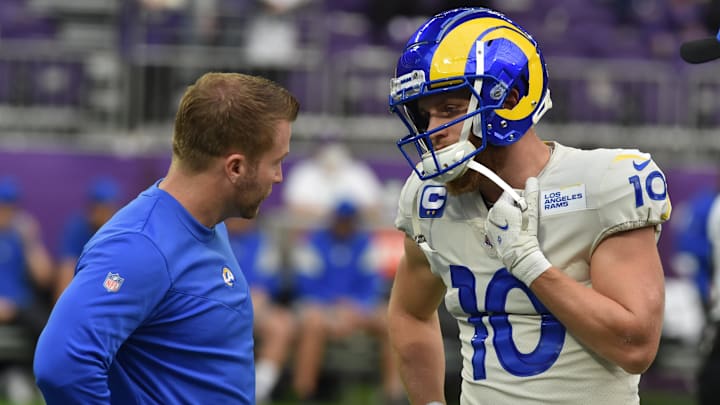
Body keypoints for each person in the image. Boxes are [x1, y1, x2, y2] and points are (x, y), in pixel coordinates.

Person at [385, 7, 672, 405]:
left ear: (512, 100)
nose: (433, 131)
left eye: (449, 109)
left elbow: (635, 347)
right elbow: (409, 314)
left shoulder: (605, 182)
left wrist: (528, 262)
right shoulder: (427, 196)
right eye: (424, 114)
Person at [33, 72, 300, 404]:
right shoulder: (141, 245)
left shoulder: (209, 224)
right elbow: (60, 367)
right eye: (276, 162)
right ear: (235, 168)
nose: (278, 176)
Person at [291, 200, 404, 403]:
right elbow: (306, 284)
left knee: (390, 321)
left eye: (349, 220)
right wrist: (334, 308)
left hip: (357, 308)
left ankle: (393, 393)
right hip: (321, 307)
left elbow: (372, 283)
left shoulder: (365, 243)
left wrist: (355, 307)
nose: (344, 224)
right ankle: (305, 392)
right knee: (313, 323)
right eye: (341, 220)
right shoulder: (314, 242)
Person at [225, 216, 296, 404]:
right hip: (220, 305)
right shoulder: (214, 239)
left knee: (282, 325)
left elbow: (268, 283)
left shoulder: (263, 243)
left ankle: (259, 391)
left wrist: (256, 299)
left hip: (256, 308)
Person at [55, 177, 121, 301]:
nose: (104, 214)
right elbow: (66, 272)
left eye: (108, 209)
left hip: (108, 293)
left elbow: (119, 274)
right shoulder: (78, 230)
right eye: (100, 209)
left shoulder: (120, 232)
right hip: (81, 294)